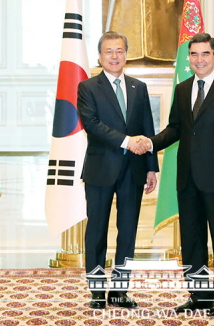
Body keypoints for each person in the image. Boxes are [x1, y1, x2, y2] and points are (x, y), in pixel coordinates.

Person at [143, 33, 214, 316]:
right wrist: (150, 142)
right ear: (188, 59)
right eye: (194, 55)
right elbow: (176, 128)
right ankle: (198, 294)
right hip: (188, 178)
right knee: (191, 239)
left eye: (205, 54)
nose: (199, 60)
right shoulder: (183, 88)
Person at [77, 31, 159, 309]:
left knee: (128, 231)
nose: (114, 56)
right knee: (97, 231)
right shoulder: (88, 87)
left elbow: (147, 127)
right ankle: (98, 292)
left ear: (126, 54)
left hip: (133, 171)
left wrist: (151, 167)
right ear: (99, 56)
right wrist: (127, 141)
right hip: (101, 169)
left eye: (120, 51)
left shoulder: (138, 87)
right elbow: (92, 125)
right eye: (109, 51)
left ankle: (120, 291)